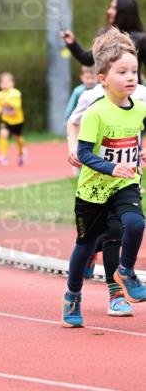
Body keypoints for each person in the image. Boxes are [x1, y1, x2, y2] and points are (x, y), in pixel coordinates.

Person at [62, 28, 146, 327]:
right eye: (122, 72)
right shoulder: (95, 111)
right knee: (85, 246)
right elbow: (84, 153)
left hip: (126, 184)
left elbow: (139, 134)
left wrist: (141, 152)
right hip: (93, 190)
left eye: (134, 71)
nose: (131, 77)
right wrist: (111, 167)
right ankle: (72, 295)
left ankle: (125, 272)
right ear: (103, 79)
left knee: (135, 224)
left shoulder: (140, 107)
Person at [61, 0, 146, 79]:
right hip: (108, 90)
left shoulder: (141, 39)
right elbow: (88, 59)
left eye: (114, 8)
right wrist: (72, 43)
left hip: (133, 91)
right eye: (110, 7)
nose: (109, 11)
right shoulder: (106, 34)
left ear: (124, 12)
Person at [0, 71, 25, 166]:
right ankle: (3, 156)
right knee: (3, 134)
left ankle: (21, 153)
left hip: (17, 121)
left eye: (7, 82)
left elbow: (17, 105)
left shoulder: (15, 93)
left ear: (12, 83)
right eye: (2, 83)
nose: (4, 85)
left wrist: (7, 101)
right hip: (6, 120)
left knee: (18, 138)